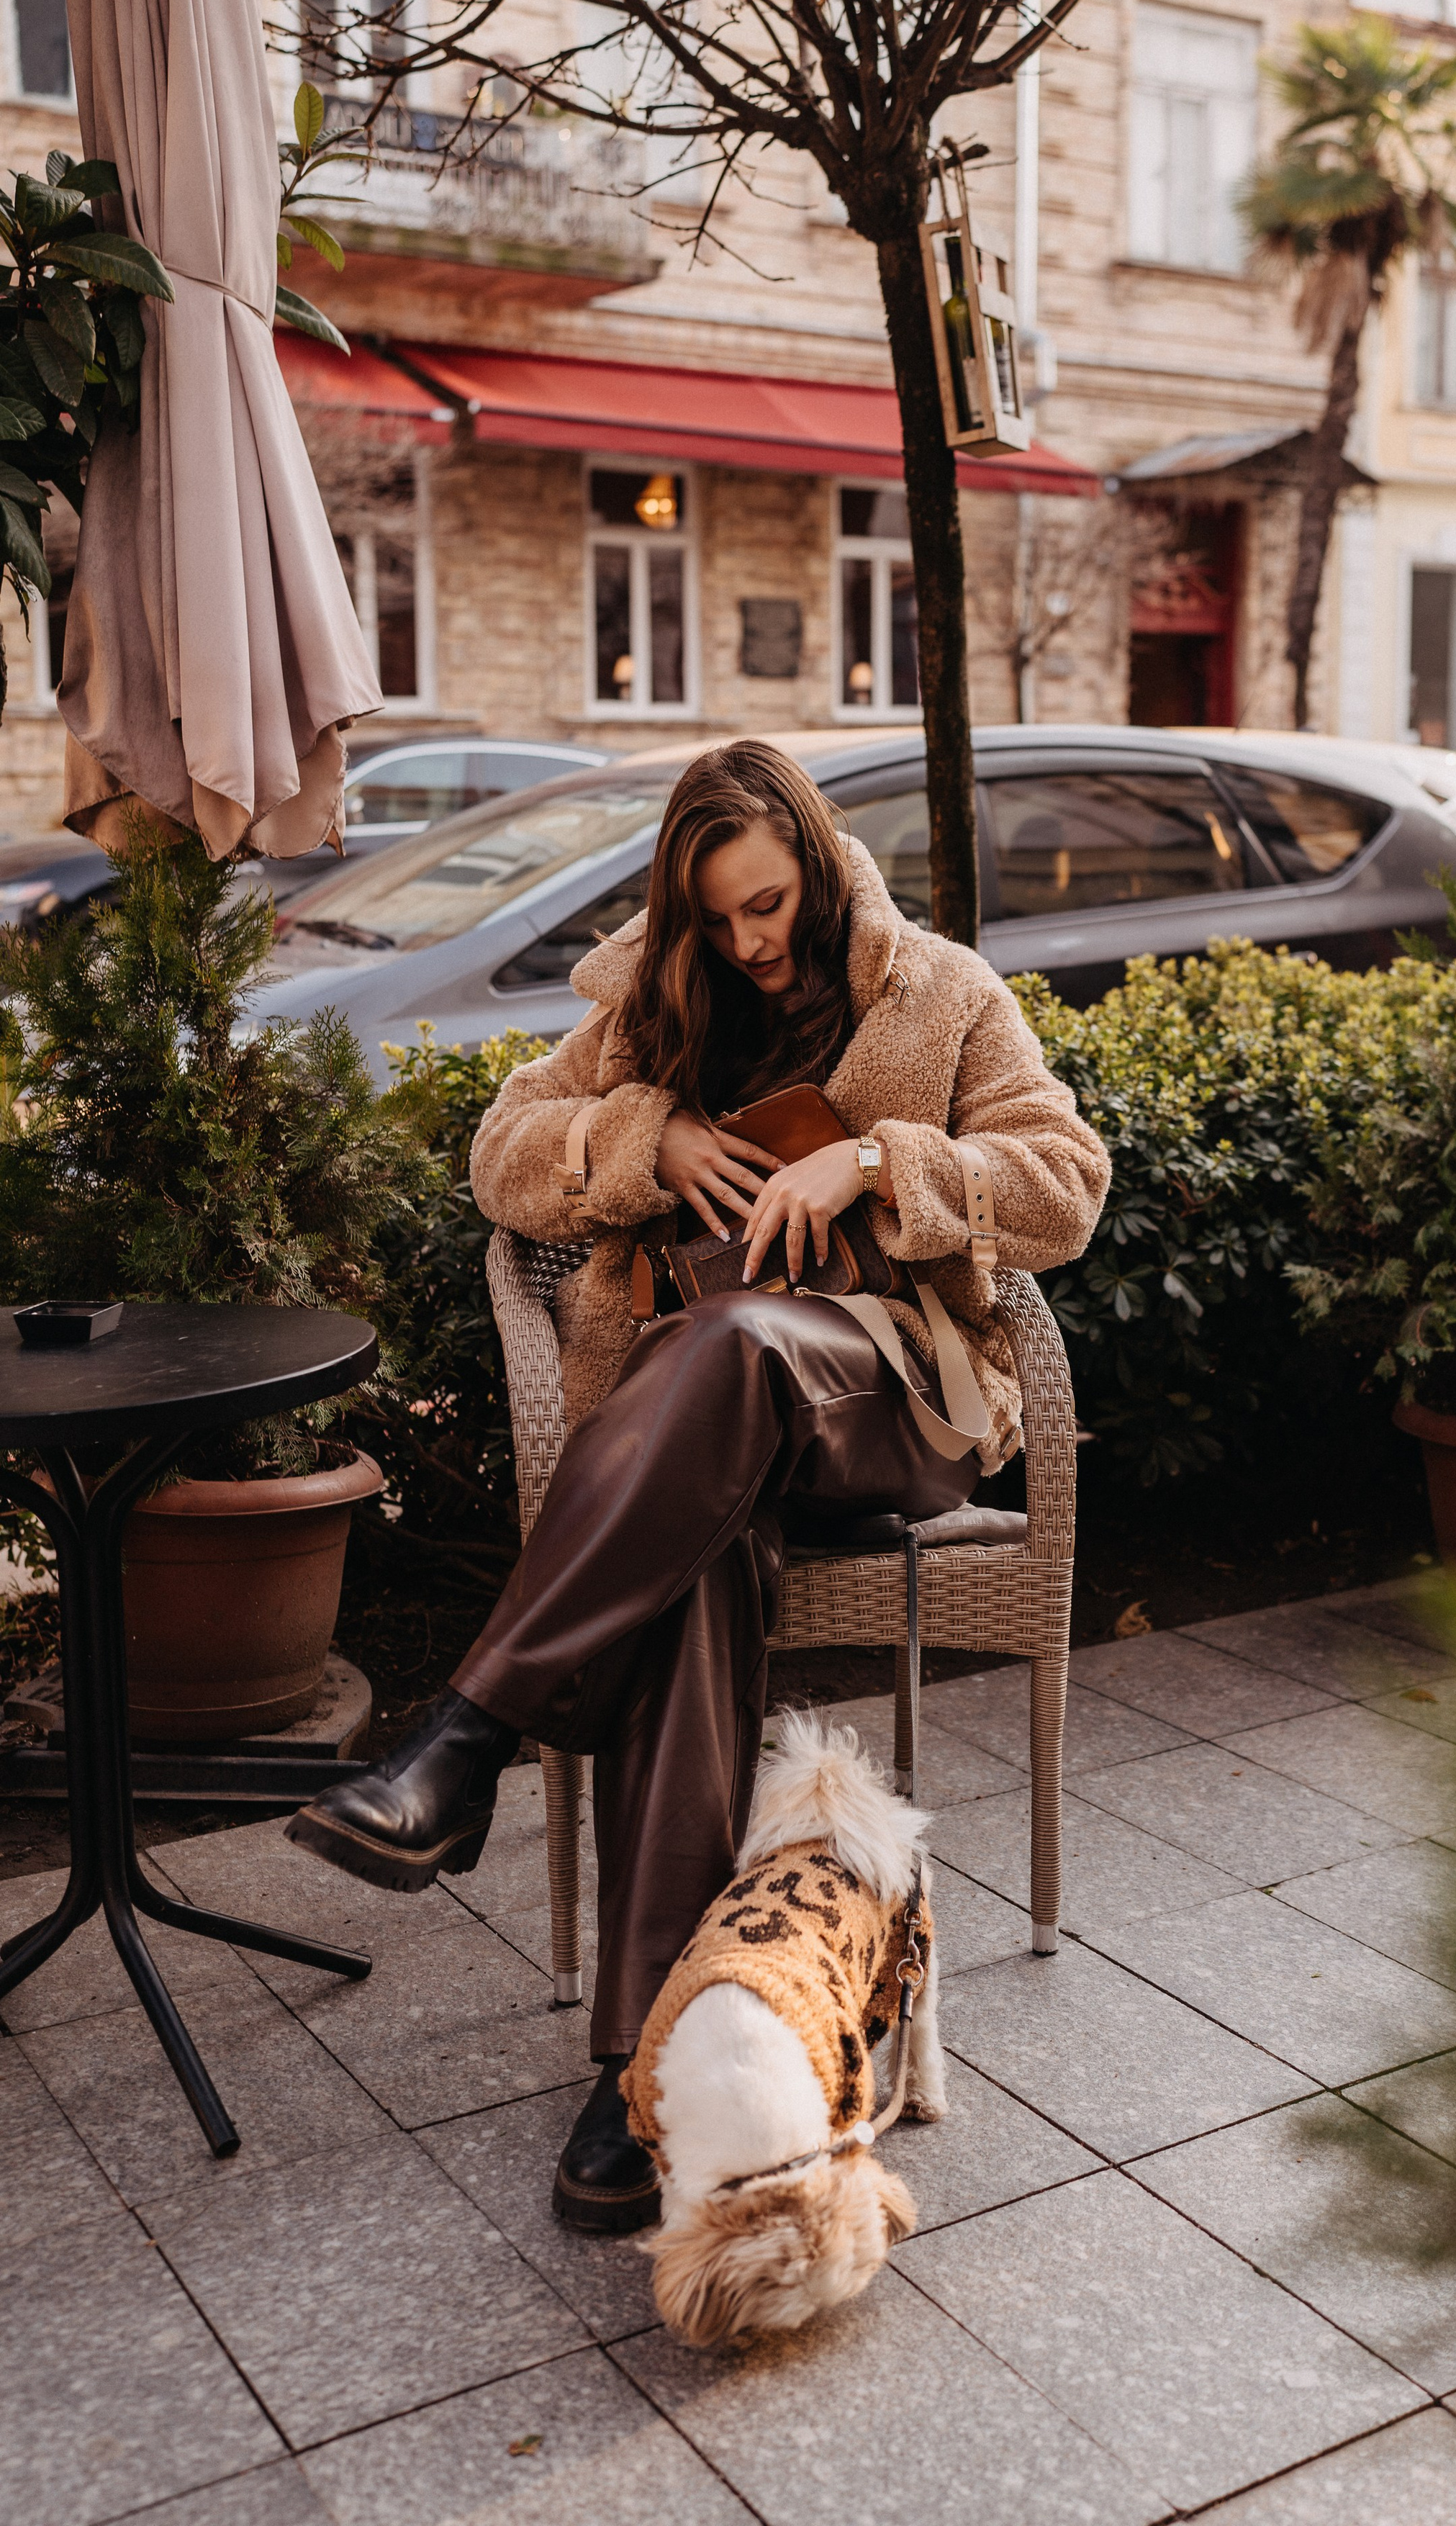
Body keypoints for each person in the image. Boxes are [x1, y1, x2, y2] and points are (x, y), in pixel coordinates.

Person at [289, 740, 1109, 2232]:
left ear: (814, 859)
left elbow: (1065, 1180)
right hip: (704, 1452)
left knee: (734, 1341)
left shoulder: (935, 992)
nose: (751, 940)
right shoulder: (647, 1011)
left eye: (772, 903)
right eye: (720, 917)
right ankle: (640, 2071)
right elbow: (501, 1153)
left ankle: (464, 1740)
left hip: (889, 1399)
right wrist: (642, 1137)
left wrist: (872, 1159)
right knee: (694, 1567)